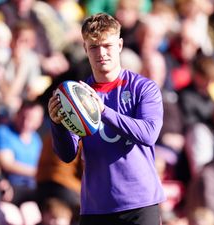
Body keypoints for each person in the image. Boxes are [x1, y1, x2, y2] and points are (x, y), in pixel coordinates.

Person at [48, 13, 164, 225]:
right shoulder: (77, 96)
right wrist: (58, 125)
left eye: (107, 45)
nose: (101, 53)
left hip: (139, 204)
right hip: (96, 207)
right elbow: (66, 155)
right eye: (93, 47)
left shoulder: (143, 88)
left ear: (119, 45)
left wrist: (103, 111)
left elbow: (149, 134)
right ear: (85, 49)